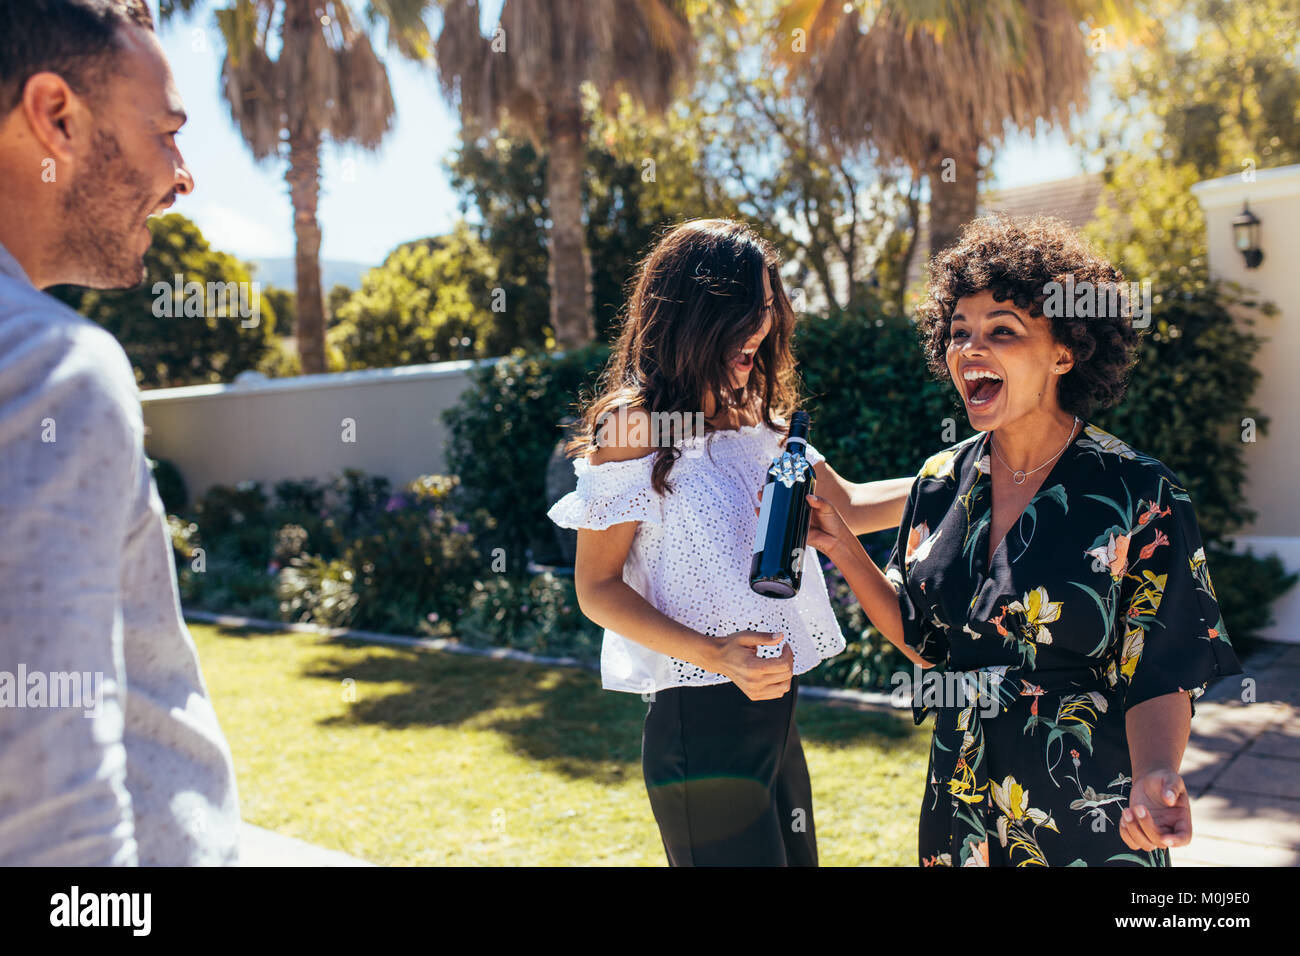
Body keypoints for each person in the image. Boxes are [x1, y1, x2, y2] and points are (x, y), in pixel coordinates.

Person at [803, 215, 1242, 866]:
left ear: (1065, 350)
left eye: (1001, 331)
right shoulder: (939, 481)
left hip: (1086, 809)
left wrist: (1156, 774)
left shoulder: (1140, 492)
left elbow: (1161, 669)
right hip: (958, 805)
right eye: (958, 334)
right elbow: (926, 642)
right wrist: (842, 546)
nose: (969, 349)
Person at [548, 218, 913, 866]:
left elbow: (849, 506)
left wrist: (971, 473)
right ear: (696, 314)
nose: (761, 329)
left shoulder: (756, 417)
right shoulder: (633, 426)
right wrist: (717, 655)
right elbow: (596, 589)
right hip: (700, 720)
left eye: (768, 310)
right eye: (746, 311)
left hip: (776, 706)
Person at [0, 0, 240, 864]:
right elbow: (44, 809)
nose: (183, 176)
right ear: (55, 117)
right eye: (167, 132)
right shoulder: (45, 365)